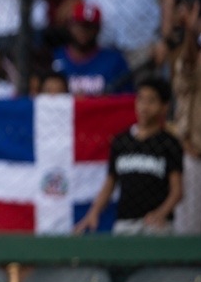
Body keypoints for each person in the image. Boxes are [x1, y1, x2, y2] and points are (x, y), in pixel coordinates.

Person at [75, 78, 183, 236]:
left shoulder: (169, 143)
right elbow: (110, 182)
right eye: (140, 99)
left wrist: (161, 213)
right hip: (125, 223)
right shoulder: (121, 142)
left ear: (164, 107)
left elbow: (177, 190)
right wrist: (94, 212)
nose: (144, 106)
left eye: (151, 101)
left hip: (157, 226)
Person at [52, 1, 132, 95]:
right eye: (79, 25)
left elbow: (126, 98)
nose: (83, 31)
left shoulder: (114, 60)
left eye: (89, 26)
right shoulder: (56, 56)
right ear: (70, 26)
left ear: (98, 29)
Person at [172, 0, 201, 235]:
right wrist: (191, 34)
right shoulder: (192, 56)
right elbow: (188, 68)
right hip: (195, 154)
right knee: (190, 233)